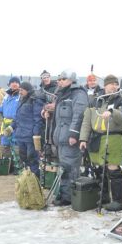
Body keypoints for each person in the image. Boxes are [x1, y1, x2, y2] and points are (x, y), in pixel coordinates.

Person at [79, 74, 122, 211]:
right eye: (111, 84)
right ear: (105, 85)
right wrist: (83, 138)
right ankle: (104, 197)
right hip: (97, 138)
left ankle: (118, 201)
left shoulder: (121, 101)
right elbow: (87, 121)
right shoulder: (95, 100)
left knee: (113, 169)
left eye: (116, 84)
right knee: (100, 169)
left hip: (113, 137)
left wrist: (112, 112)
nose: (114, 86)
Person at [43, 70, 88, 206]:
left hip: (70, 138)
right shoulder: (62, 94)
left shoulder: (78, 94)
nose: (60, 81)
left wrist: (74, 134)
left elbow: (79, 116)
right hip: (61, 137)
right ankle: (64, 194)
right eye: (59, 79)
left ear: (71, 80)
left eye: (63, 79)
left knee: (70, 167)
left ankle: (68, 197)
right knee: (63, 167)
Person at [12, 81, 44, 177]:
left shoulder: (35, 100)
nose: (20, 92)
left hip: (30, 136)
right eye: (19, 90)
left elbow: (38, 119)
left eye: (22, 90)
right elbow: (17, 117)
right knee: (23, 158)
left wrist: (36, 135)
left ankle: (35, 179)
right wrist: (11, 127)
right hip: (20, 135)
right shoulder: (21, 100)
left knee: (32, 158)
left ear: (28, 90)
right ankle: (27, 178)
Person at [0, 77, 21, 160]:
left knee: (15, 144)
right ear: (9, 84)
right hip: (5, 124)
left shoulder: (21, 96)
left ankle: (17, 166)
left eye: (16, 82)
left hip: (16, 124)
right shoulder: (6, 96)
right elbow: (3, 109)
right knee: (5, 144)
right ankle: (7, 165)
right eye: (13, 82)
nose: (14, 84)